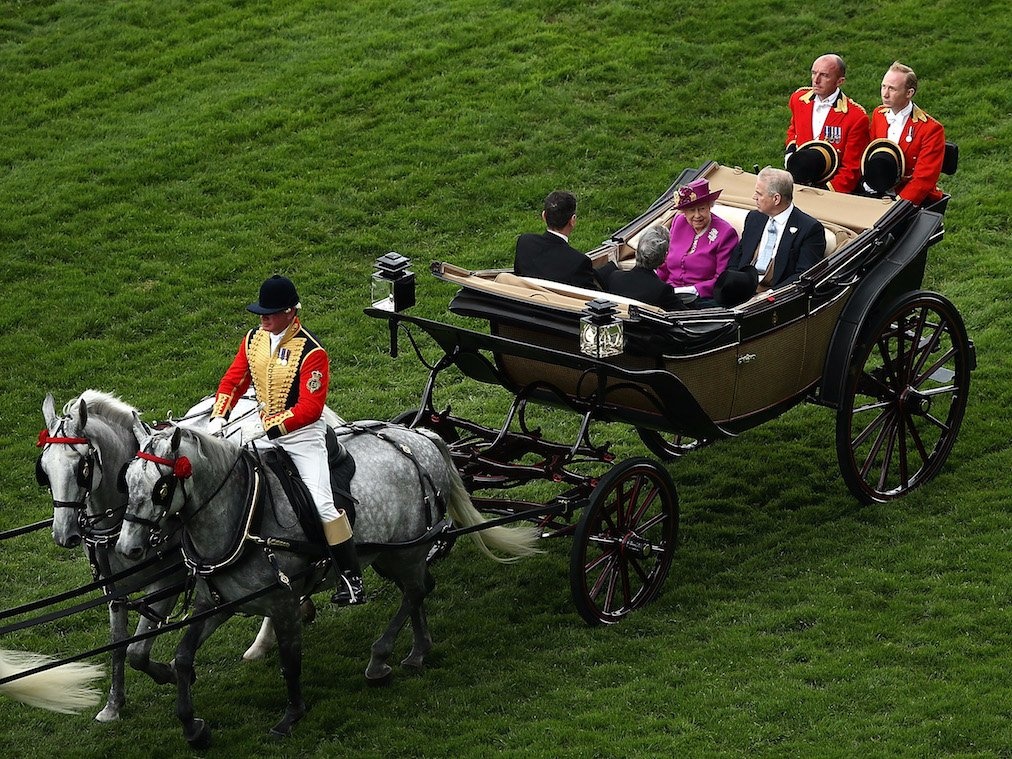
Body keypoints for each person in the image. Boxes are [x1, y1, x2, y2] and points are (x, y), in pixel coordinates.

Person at [207, 275, 365, 606]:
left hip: (303, 438)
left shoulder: (312, 352)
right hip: (262, 427)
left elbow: (310, 408)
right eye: (261, 312)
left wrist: (270, 429)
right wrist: (219, 416)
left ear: (291, 312)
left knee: (323, 503)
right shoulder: (254, 340)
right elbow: (234, 380)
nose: (263, 319)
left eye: (271, 313)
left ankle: (351, 579)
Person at [716, 168, 826, 307]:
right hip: (740, 294)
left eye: (759, 194)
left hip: (775, 301)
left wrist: (769, 296)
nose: (754, 197)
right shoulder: (754, 218)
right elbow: (738, 256)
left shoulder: (809, 229)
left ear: (776, 198)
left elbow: (803, 275)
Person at [785, 54, 870, 194]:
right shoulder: (798, 99)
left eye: (824, 75)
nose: (816, 80)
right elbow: (793, 131)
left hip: (830, 188)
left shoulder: (856, 117)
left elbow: (852, 167)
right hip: (798, 179)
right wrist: (791, 156)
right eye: (814, 73)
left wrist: (826, 192)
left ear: (839, 81)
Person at [865, 61, 945, 205]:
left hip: (910, 200)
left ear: (909, 93)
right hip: (878, 193)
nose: (885, 94)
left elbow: (924, 179)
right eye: (883, 86)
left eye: (892, 89)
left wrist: (898, 205)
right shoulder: (878, 114)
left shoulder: (930, 129)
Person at [655, 178, 738, 306]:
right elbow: (665, 264)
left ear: (710, 206)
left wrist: (692, 290)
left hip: (701, 299)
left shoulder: (726, 233)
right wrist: (654, 284)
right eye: (692, 210)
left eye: (702, 208)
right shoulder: (679, 222)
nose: (697, 215)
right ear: (684, 212)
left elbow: (722, 279)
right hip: (668, 293)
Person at [514, 190, 600, 290]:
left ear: (544, 216)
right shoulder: (578, 262)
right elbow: (593, 296)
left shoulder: (525, 242)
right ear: (572, 220)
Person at [604, 225, 686, 311]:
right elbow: (685, 315)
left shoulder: (615, 277)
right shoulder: (662, 290)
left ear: (636, 252)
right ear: (664, 258)